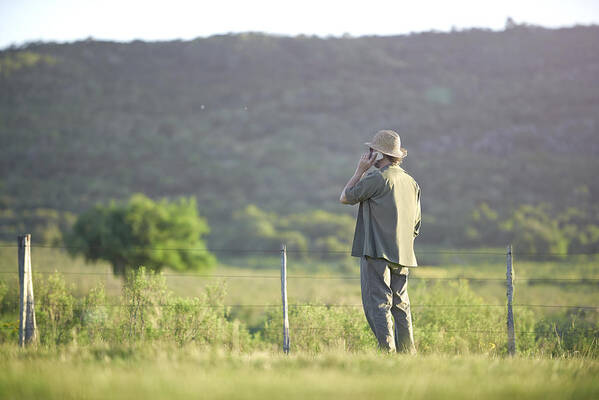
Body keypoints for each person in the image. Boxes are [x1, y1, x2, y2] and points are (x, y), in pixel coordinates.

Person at [339, 129, 421, 353]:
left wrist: (359, 170)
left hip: (376, 252)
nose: (368, 154)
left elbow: (345, 197)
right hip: (403, 254)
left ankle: (387, 354)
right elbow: (416, 224)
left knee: (377, 303)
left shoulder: (377, 177)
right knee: (401, 304)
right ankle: (408, 353)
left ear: (379, 154)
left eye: (371, 151)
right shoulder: (411, 182)